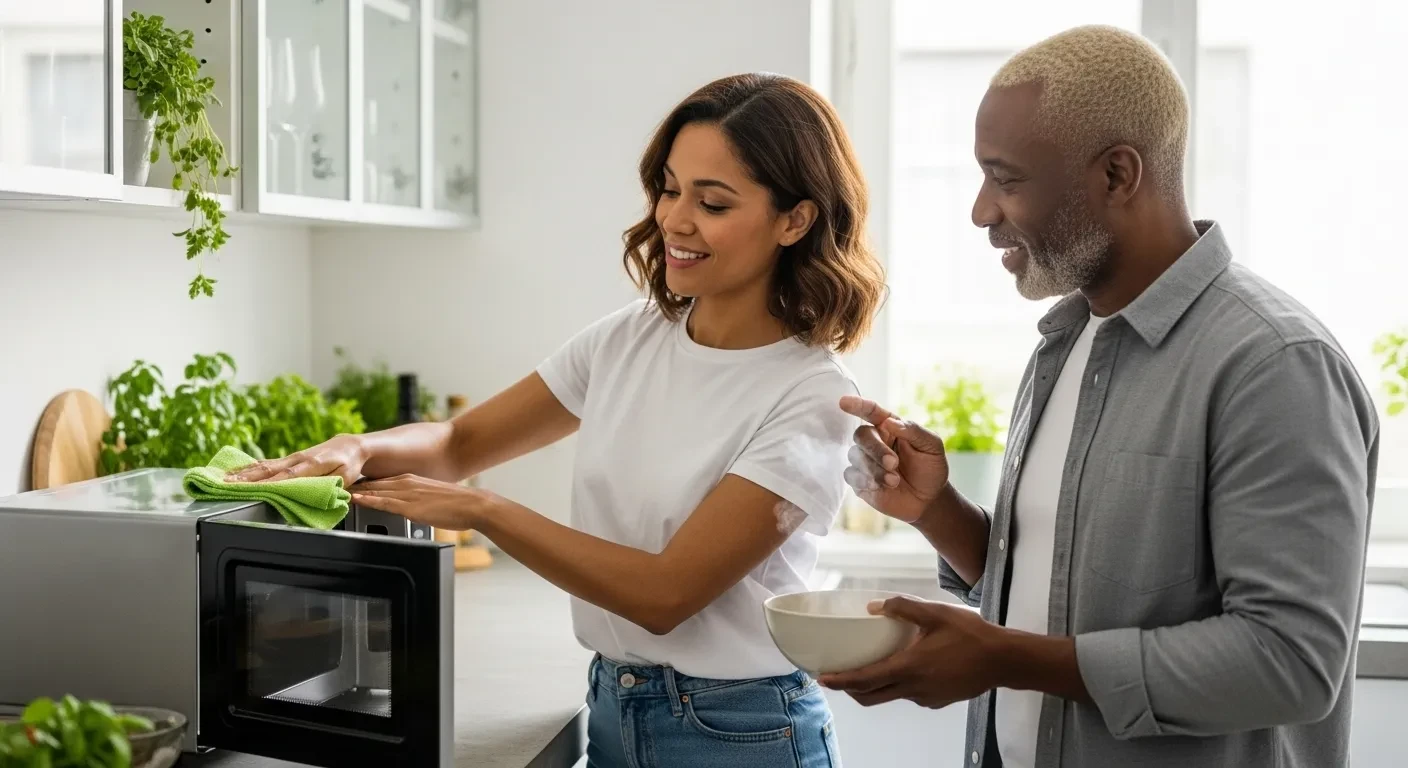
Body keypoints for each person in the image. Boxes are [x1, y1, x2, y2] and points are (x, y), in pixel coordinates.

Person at [227, 72, 885, 767]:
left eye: (712, 202)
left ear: (795, 220)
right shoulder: (629, 338)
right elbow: (460, 441)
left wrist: (481, 508)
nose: (675, 220)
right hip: (613, 703)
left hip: (741, 730)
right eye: (668, 188)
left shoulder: (812, 398)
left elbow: (665, 594)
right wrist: (357, 449)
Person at [821, 24, 1379, 768]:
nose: (982, 211)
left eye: (1006, 178)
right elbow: (1061, 591)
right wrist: (937, 511)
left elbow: (1290, 660)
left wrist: (1006, 660)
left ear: (1118, 175)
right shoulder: (1065, 340)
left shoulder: (1275, 366)